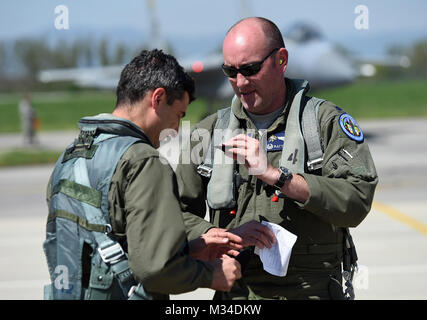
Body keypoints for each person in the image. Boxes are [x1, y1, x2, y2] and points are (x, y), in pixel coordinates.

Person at [175, 17, 378, 300]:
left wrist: (278, 177)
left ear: (281, 60)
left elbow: (357, 199)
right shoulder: (208, 133)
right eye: (230, 71)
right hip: (237, 296)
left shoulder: (324, 124)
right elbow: (172, 216)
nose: (240, 82)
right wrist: (222, 237)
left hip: (313, 291)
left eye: (250, 69)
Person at [43, 49, 242, 300]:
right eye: (179, 114)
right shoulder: (144, 162)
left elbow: (101, 243)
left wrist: (188, 249)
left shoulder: (70, 157)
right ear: (158, 99)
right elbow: (155, 269)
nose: (176, 128)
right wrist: (210, 275)